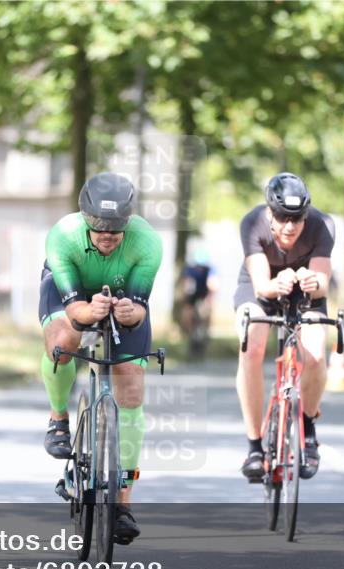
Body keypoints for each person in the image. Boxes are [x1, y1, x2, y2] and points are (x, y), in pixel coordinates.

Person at [38, 172, 163, 543]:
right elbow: (76, 310)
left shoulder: (148, 244)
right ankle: (59, 417)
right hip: (71, 293)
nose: (108, 237)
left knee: (130, 390)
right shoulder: (62, 236)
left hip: (122, 298)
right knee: (64, 341)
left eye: (116, 231)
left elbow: (140, 310)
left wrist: (130, 313)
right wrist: (89, 312)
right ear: (86, 221)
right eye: (99, 230)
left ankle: (123, 502)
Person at [234, 172, 336, 481]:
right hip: (260, 287)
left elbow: (323, 284)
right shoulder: (252, 223)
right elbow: (262, 285)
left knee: (316, 353)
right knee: (252, 346)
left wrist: (312, 281)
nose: (289, 226)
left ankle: (307, 428)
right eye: (282, 217)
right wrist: (276, 283)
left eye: (297, 218)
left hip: (303, 292)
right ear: (269, 213)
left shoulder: (322, 225)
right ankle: (254, 447)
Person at [181, 248, 218, 358]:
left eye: (202, 267)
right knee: (187, 314)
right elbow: (186, 285)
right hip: (193, 296)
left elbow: (213, 285)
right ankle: (190, 334)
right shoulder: (190, 270)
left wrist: (209, 301)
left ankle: (206, 332)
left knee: (207, 312)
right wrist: (186, 301)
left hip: (205, 294)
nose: (200, 269)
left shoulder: (211, 270)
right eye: (198, 267)